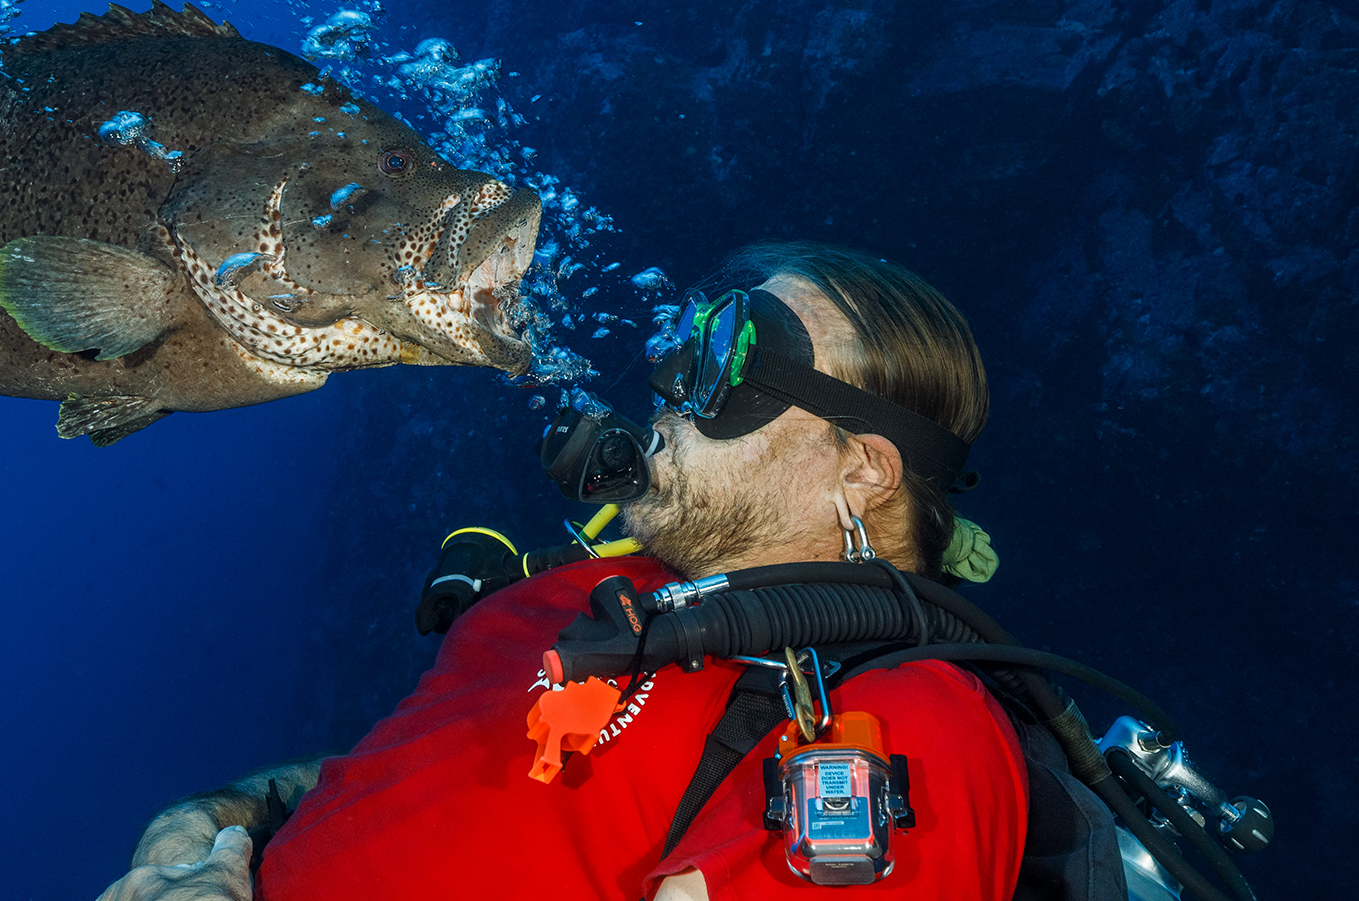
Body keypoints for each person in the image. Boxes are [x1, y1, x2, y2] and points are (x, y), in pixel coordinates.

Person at [97, 242, 1024, 900]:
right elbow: (392, 782)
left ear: (863, 467)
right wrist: (208, 827)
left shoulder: (910, 723)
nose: (666, 383)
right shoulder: (570, 596)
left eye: (732, 360)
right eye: (686, 343)